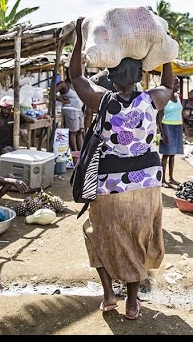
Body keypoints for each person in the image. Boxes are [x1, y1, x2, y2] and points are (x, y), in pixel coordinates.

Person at [69, 17, 173, 321]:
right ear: (140, 76)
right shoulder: (152, 100)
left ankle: (108, 294)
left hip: (109, 187)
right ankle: (131, 301)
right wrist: (165, 49)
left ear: (112, 78)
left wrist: (78, 37)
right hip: (146, 187)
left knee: (96, 235)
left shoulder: (101, 100)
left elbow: (76, 76)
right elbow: (168, 83)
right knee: (138, 240)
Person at [0, 95, 36, 171]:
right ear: (0, 108)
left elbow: (31, 120)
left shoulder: (13, 117)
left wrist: (18, 112)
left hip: (8, 147)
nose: (6, 111)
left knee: (6, 153)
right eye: (4, 109)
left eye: (8, 109)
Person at [157, 77, 184, 188]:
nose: (178, 86)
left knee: (173, 154)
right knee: (166, 154)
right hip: (167, 126)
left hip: (177, 126)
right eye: (176, 84)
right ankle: (162, 179)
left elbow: (179, 113)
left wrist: (184, 128)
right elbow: (159, 116)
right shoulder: (164, 98)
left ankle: (171, 177)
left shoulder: (178, 97)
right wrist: (161, 132)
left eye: (178, 84)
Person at [56, 77, 85, 153]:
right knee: (73, 132)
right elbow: (51, 93)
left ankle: (80, 151)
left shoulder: (77, 84)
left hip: (79, 110)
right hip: (70, 110)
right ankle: (74, 152)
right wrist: (63, 100)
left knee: (80, 132)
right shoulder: (64, 84)